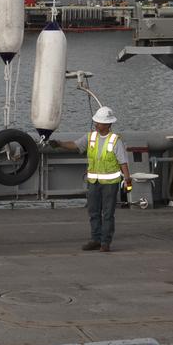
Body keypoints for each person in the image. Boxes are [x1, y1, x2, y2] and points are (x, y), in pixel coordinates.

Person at [51, 106, 133, 252]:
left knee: (107, 213)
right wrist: (59, 143)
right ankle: (96, 239)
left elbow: (123, 162)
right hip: (93, 183)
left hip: (110, 184)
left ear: (108, 124)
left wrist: (127, 180)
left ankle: (105, 242)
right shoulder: (90, 137)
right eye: (96, 121)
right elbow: (75, 145)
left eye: (99, 122)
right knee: (93, 212)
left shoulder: (115, 140)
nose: (96, 124)